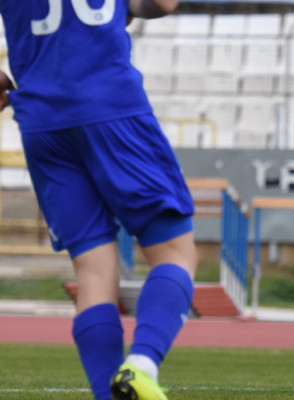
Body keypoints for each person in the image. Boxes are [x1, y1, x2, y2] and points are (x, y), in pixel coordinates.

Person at [0, 1, 196, 399]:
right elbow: (159, 3)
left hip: (42, 122)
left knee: (93, 272)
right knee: (175, 251)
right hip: (112, 107)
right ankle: (142, 364)